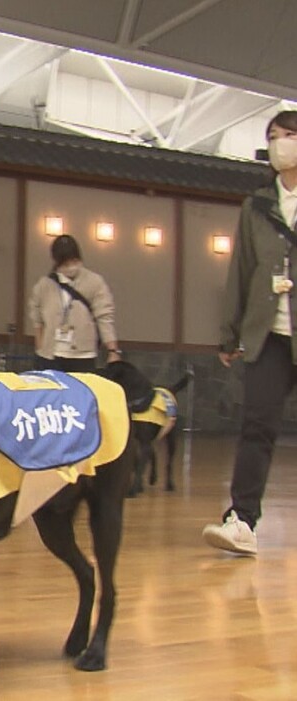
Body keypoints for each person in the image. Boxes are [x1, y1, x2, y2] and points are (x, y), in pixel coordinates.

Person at [203, 110, 297, 556]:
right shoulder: (256, 206)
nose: (281, 144)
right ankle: (241, 520)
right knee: (257, 426)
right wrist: (229, 334)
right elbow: (240, 271)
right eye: (273, 137)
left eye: (289, 135)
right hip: (267, 337)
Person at [28, 234, 121, 372]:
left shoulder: (95, 282)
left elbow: (104, 317)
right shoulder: (44, 285)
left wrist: (113, 351)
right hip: (51, 355)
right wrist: (40, 347)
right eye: (65, 263)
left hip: (83, 355)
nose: (71, 267)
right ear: (57, 262)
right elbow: (37, 317)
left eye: (74, 261)